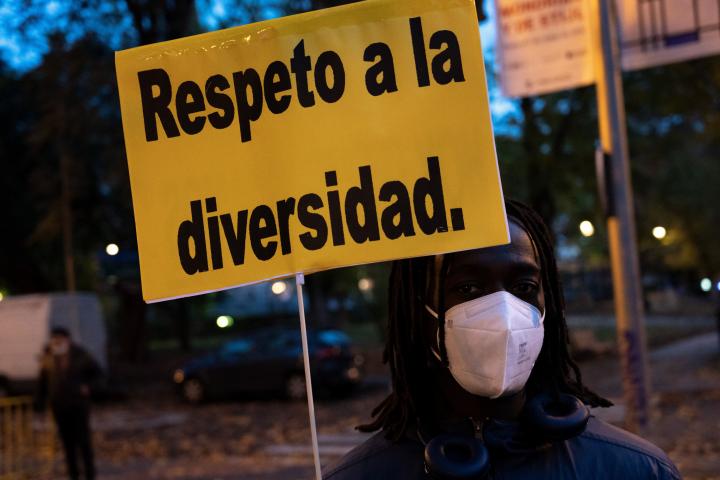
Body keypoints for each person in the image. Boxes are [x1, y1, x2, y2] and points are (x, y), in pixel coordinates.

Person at [323, 200, 680, 479]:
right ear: (420, 312)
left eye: (524, 287)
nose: (504, 312)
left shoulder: (635, 470)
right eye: (468, 288)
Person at [36, 326, 101, 480]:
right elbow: (42, 382)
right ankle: (73, 475)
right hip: (59, 406)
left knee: (83, 442)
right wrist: (39, 404)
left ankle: (90, 474)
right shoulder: (48, 357)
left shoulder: (81, 355)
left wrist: (88, 388)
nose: (57, 343)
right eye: (54, 340)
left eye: (60, 339)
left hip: (78, 406)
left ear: (68, 340)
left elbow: (98, 374)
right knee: (67, 444)